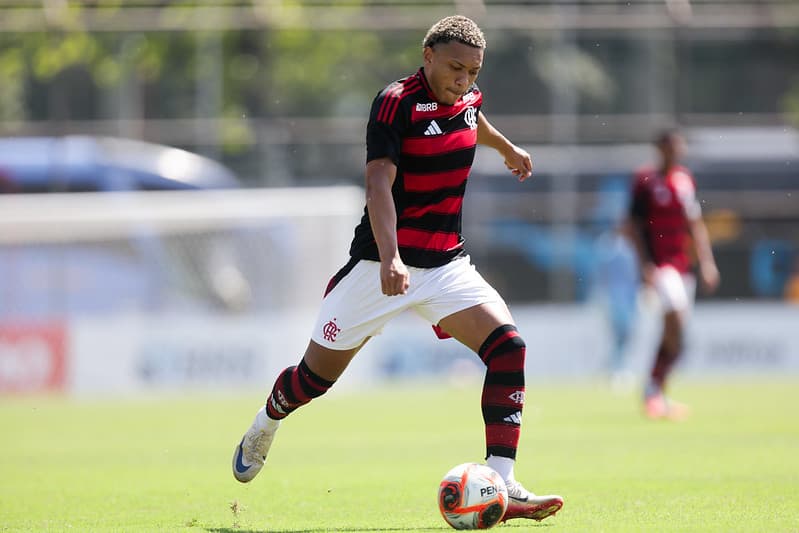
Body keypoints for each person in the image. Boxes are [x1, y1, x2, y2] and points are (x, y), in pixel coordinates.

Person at [231, 15, 563, 523]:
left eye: (473, 72)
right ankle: (265, 423)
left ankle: (504, 480)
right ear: (427, 56)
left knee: (509, 348)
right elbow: (378, 183)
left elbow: (475, 121)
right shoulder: (396, 103)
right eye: (455, 68)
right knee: (313, 381)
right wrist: (390, 257)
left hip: (447, 265)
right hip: (378, 267)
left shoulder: (468, 99)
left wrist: (507, 149)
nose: (464, 80)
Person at [624, 129, 720, 420]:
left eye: (679, 147)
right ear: (660, 149)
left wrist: (706, 262)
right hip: (661, 266)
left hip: (682, 266)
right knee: (675, 322)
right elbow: (632, 226)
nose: (676, 152)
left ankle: (656, 392)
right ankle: (654, 392)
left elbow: (695, 223)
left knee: (676, 337)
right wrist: (644, 265)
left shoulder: (684, 180)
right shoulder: (645, 181)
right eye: (670, 147)